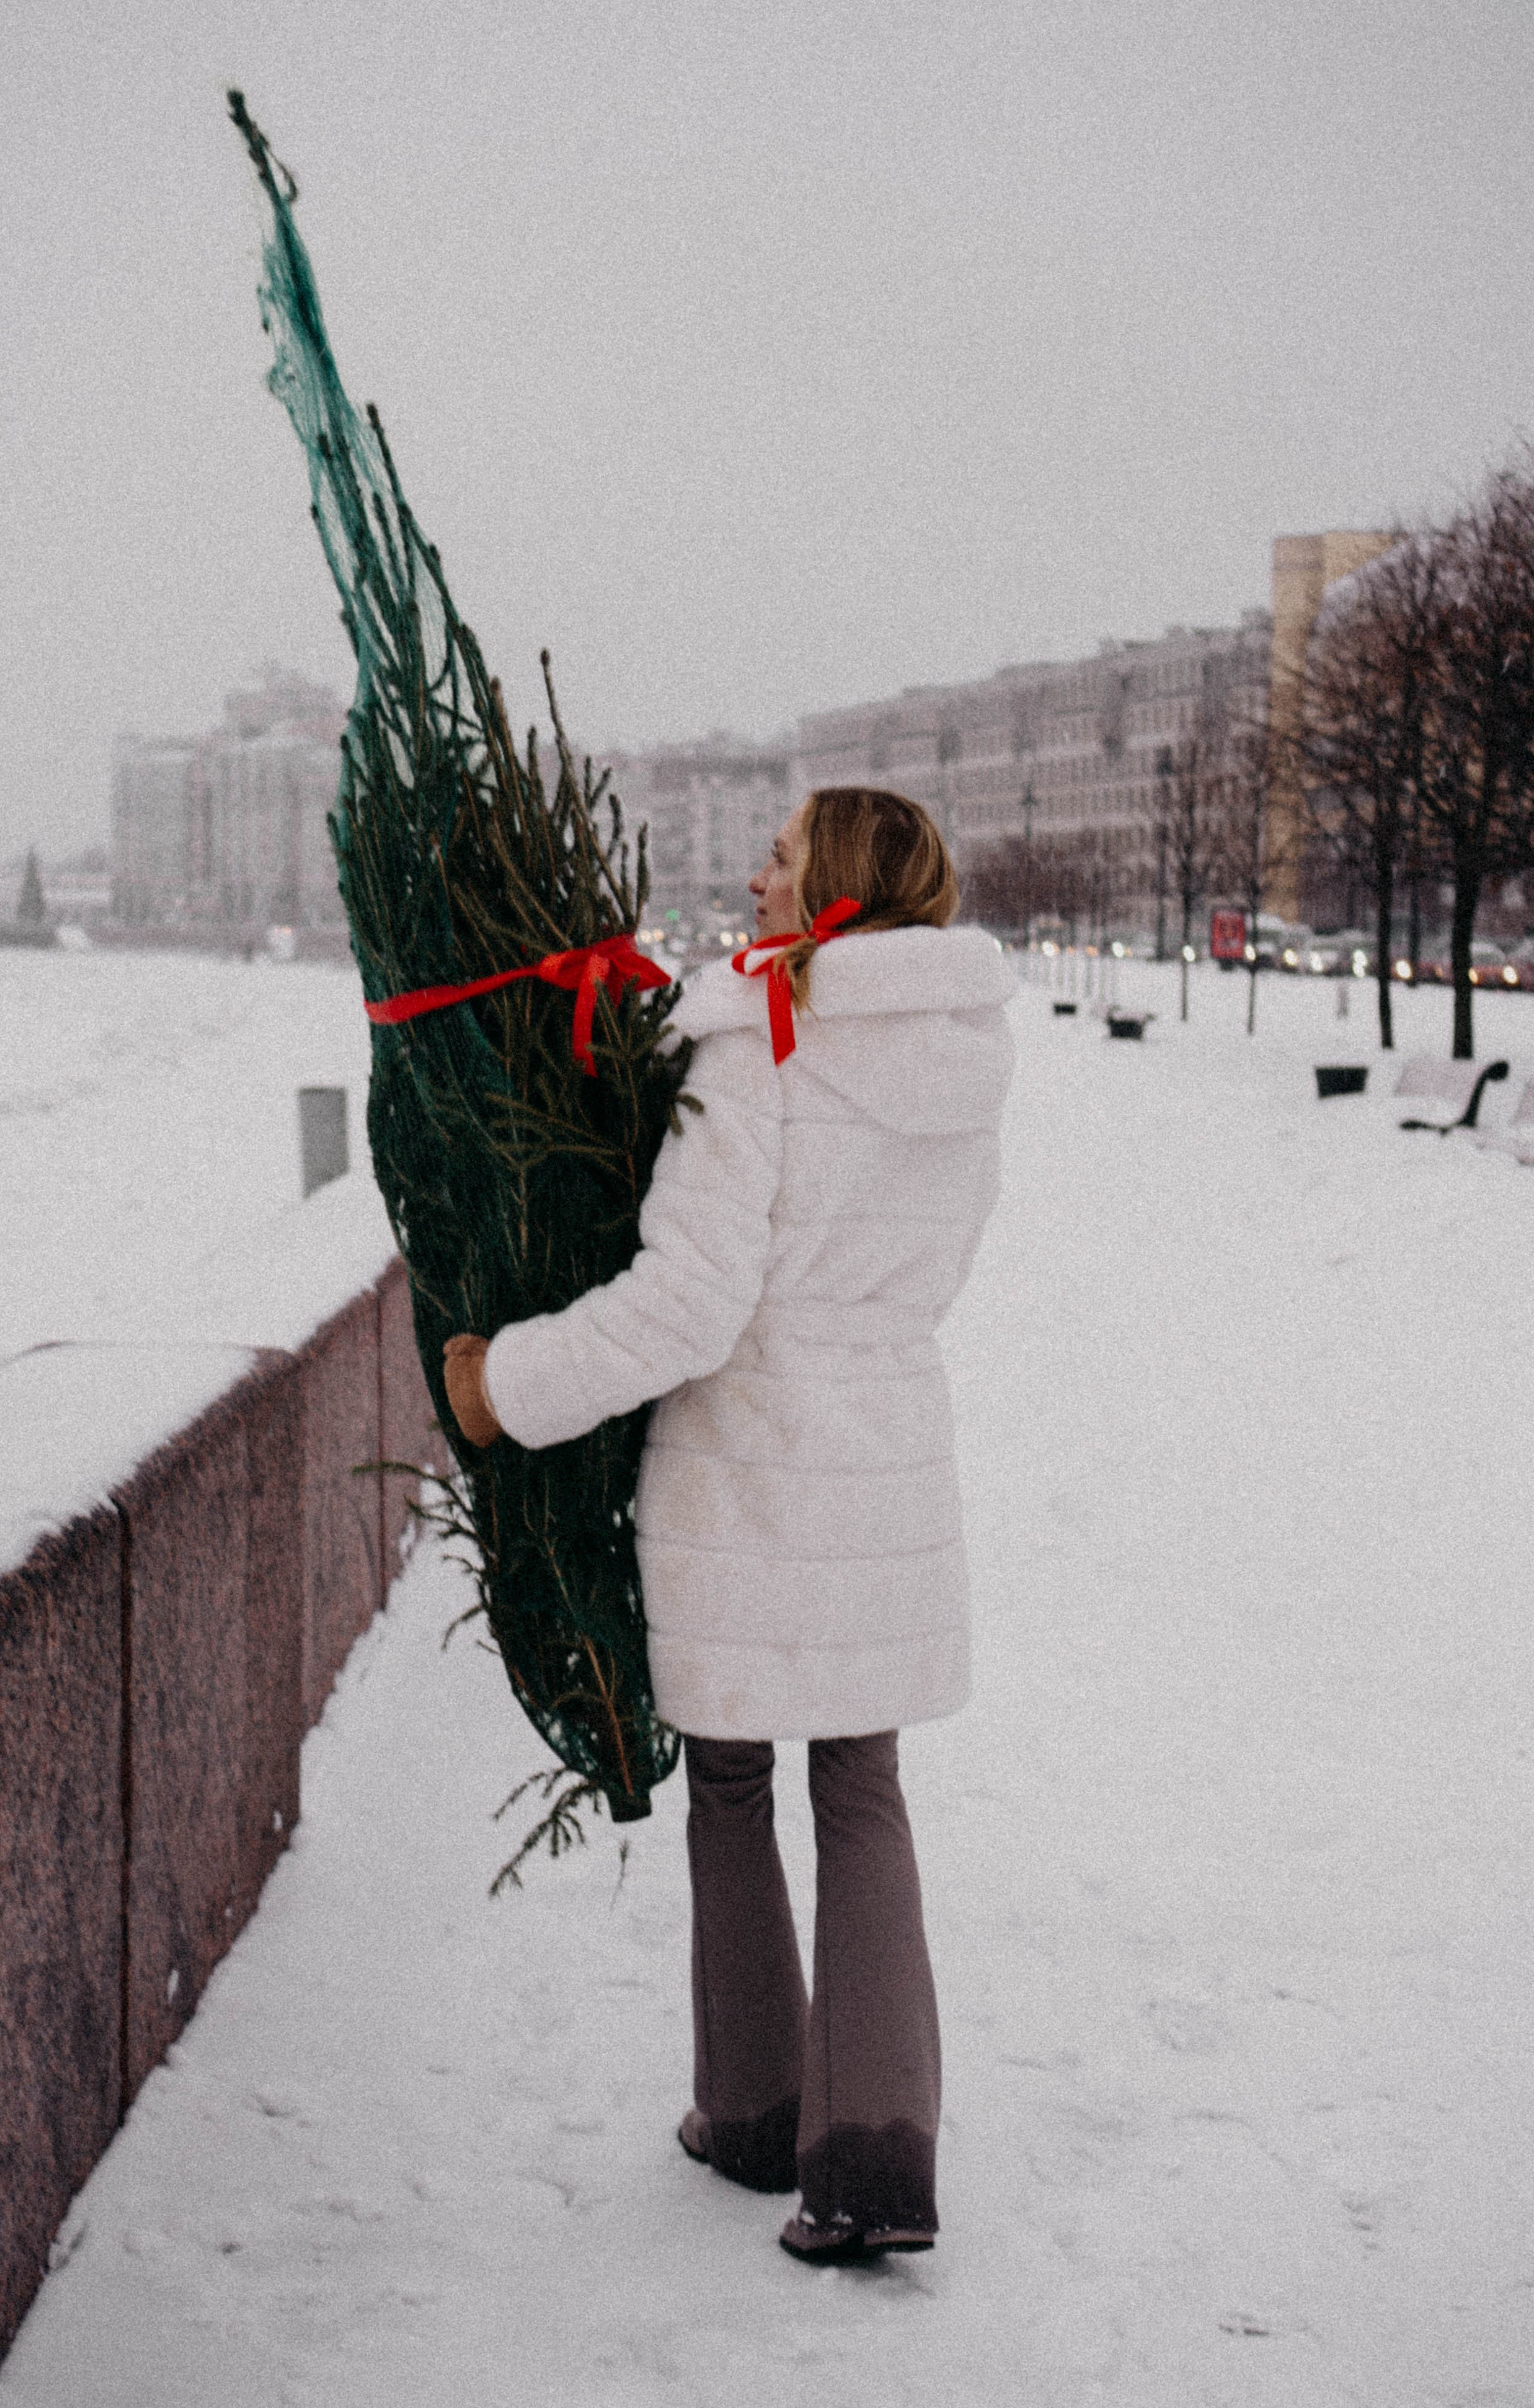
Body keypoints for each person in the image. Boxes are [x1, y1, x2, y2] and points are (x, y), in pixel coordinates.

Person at [443, 786, 1016, 2264]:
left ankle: (755, 2112)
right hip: (886, 1454)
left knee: (733, 1780)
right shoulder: (961, 1057)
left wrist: (508, 1386)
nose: (755, 878)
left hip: (753, 1464)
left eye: (778, 855)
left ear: (835, 883)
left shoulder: (761, 1043)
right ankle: (876, 2155)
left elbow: (689, 1305)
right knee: (863, 1785)